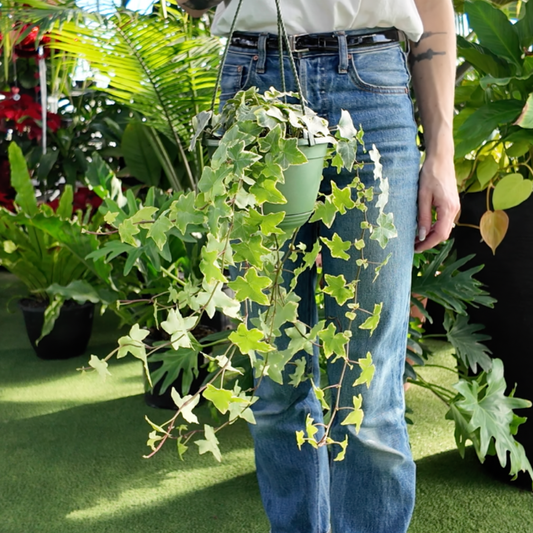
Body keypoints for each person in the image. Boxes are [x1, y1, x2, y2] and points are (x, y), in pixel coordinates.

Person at [178, 1, 461, 532]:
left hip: (371, 84)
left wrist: (441, 151)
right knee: (276, 382)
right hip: (253, 85)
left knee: (368, 389)